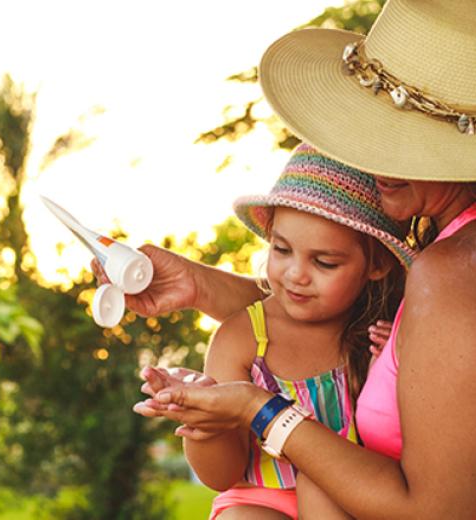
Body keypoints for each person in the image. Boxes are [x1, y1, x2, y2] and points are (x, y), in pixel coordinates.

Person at [130, 1, 476, 518]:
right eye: (282, 250)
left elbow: (438, 508)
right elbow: (302, 314)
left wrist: (257, 408)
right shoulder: (428, 266)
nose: (367, 155)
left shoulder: (448, 272)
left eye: (396, 137)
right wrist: (202, 289)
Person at [173, 143, 413, 520]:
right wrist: (206, 425)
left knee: (321, 489)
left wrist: (393, 372)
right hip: (260, 498)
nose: (296, 274)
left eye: (324, 262)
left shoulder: (377, 335)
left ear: (377, 265)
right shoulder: (244, 339)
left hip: (349, 496)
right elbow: (220, 476)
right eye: (282, 250)